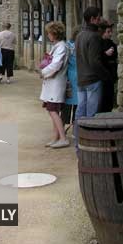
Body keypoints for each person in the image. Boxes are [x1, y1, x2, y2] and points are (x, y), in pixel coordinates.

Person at [75, 7, 112, 146]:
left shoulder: (80, 35)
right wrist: (106, 75)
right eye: (97, 18)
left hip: (81, 80)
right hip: (92, 80)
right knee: (91, 115)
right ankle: (88, 144)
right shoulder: (94, 36)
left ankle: (79, 142)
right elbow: (94, 62)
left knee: (80, 113)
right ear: (92, 19)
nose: (99, 20)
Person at [40, 21, 70, 149]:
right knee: (53, 110)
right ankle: (55, 137)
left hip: (56, 83)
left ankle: (63, 138)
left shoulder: (61, 47)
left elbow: (56, 64)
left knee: (53, 110)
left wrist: (43, 72)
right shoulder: (57, 46)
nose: (48, 35)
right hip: (52, 83)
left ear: (54, 34)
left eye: (49, 33)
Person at [99, 20, 118, 113]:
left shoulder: (111, 43)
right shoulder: (99, 43)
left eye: (111, 31)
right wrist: (105, 54)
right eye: (108, 32)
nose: (110, 34)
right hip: (102, 77)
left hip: (110, 76)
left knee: (109, 101)